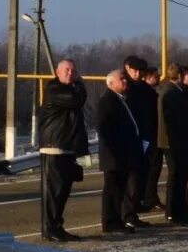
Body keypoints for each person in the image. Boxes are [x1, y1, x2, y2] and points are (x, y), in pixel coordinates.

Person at [37, 59, 88, 241]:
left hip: (66, 147)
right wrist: (80, 85)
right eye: (66, 70)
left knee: (63, 191)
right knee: (54, 192)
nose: (70, 73)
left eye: (73, 71)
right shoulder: (54, 89)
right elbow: (76, 100)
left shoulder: (72, 89)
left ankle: (57, 226)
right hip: (54, 147)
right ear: (57, 72)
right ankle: (49, 229)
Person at [92, 69, 143, 234]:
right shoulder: (108, 101)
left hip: (123, 154)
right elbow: (105, 129)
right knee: (112, 189)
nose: (125, 81)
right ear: (111, 83)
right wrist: (116, 149)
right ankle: (110, 222)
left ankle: (117, 220)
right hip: (114, 155)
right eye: (122, 79)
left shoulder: (121, 100)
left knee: (120, 189)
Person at [157, 63, 188, 223]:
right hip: (173, 142)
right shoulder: (168, 92)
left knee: (182, 176)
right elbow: (170, 121)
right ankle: (172, 211)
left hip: (182, 141)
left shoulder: (176, 92)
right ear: (180, 75)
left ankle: (181, 208)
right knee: (176, 176)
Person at [123, 57, 160, 220]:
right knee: (131, 177)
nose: (137, 74)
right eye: (134, 70)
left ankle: (136, 204)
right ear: (127, 68)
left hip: (147, 136)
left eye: (140, 71)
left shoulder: (145, 89)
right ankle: (127, 211)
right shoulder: (125, 88)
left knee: (142, 173)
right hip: (131, 138)